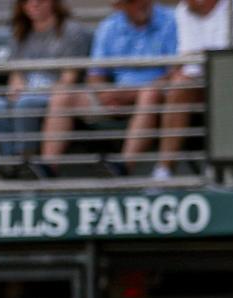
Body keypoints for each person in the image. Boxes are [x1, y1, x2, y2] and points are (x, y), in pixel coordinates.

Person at [37, 0, 177, 177]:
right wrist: (105, 93)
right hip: (116, 94)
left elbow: (175, 71)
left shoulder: (170, 20)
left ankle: (124, 167)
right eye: (132, 2)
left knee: (149, 94)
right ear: (120, 6)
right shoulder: (109, 26)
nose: (141, 4)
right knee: (62, 96)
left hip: (155, 95)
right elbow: (95, 76)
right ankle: (47, 169)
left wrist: (130, 94)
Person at [152, 0, 233, 180]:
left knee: (226, 83)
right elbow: (189, 61)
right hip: (204, 77)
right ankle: (163, 171)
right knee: (179, 86)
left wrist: (204, 59)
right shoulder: (184, 9)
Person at [0, 0, 91, 163]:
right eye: (26, 1)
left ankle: (27, 159)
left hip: (53, 96)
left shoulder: (71, 31)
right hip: (25, 94)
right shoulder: (20, 33)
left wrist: (32, 93)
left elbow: (69, 79)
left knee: (26, 103)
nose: (34, 4)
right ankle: (11, 161)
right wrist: (16, 90)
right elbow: (16, 76)